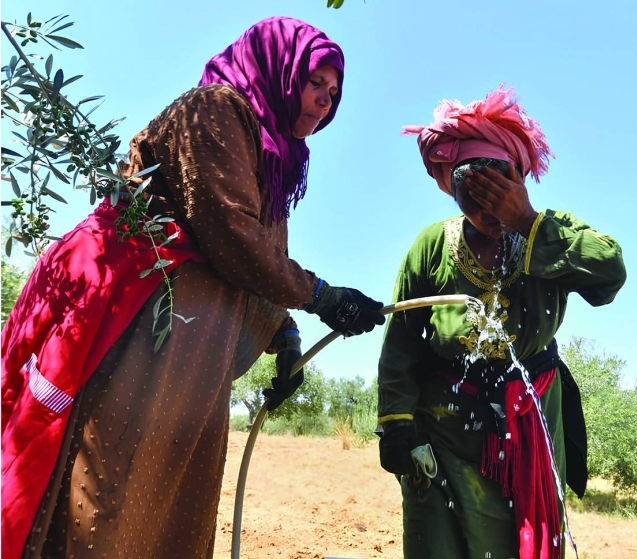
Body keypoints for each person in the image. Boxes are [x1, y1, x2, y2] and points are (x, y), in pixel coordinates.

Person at [1, 17, 385, 558]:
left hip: (190, 356)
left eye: (333, 92)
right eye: (314, 82)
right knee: (105, 491)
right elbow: (231, 233)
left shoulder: (277, 157)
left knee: (171, 505)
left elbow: (263, 255)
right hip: (134, 323)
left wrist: (286, 335)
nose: (324, 100)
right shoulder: (215, 110)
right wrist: (324, 297)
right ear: (278, 69)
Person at [377, 85, 627, 558]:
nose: (487, 211)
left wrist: (528, 221)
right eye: (472, 196)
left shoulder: (550, 228)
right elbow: (400, 348)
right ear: (451, 188)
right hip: (442, 434)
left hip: (527, 432)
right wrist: (397, 427)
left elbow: (611, 273)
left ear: (519, 179)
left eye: (499, 193)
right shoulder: (431, 246)